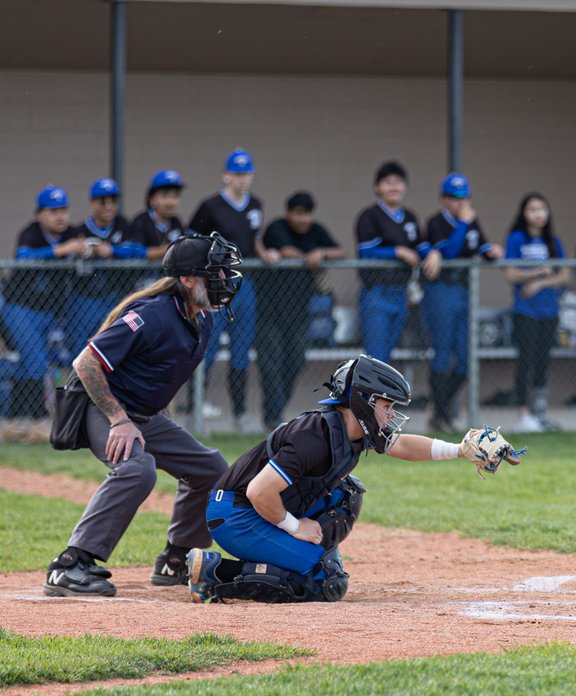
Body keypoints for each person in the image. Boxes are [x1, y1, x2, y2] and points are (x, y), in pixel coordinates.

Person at [187, 355, 496, 604]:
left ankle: (300, 555)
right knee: (322, 583)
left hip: (257, 507)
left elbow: (401, 445)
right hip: (236, 514)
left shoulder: (354, 431)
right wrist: (295, 527)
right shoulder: (314, 436)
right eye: (386, 406)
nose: (390, 416)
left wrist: (459, 450)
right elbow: (258, 491)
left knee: (346, 494)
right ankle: (215, 575)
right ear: (363, 401)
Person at [42, 232, 242, 597]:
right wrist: (119, 420)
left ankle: (175, 560)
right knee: (137, 469)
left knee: (211, 467)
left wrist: (147, 415)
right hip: (100, 407)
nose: (225, 282)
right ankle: (70, 564)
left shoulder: (202, 319)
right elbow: (85, 362)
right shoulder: (152, 315)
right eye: (216, 273)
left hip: (141, 414)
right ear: (187, 279)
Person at [188, 147, 270, 434]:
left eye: (246, 173)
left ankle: (240, 413)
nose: (242, 179)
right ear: (225, 176)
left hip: (244, 283)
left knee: (242, 351)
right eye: (236, 173)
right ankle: (194, 408)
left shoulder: (255, 204)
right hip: (216, 283)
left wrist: (266, 253)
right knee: (207, 346)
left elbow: (254, 240)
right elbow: (192, 239)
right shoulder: (210, 206)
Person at [259, 191, 345, 428]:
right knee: (271, 365)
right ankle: (271, 417)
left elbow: (341, 252)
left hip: (299, 314)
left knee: (295, 362)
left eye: (306, 214)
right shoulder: (277, 227)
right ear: (288, 213)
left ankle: (277, 412)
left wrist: (323, 253)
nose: (303, 219)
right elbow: (285, 251)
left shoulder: (316, 230)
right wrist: (308, 257)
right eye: (298, 213)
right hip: (270, 313)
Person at [422, 172, 500, 432]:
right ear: (444, 199)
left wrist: (491, 251)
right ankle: (440, 414)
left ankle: (440, 408)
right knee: (442, 354)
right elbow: (449, 252)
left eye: (465, 197)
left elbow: (481, 246)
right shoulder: (436, 222)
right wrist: (465, 224)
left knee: (466, 358)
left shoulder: (470, 221)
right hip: (441, 291)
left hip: (464, 292)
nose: (461, 203)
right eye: (455, 198)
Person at [6, 186, 86, 429]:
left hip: (50, 312)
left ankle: (20, 417)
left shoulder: (72, 232)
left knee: (38, 363)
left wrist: (85, 247)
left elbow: (90, 243)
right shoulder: (30, 232)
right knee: (36, 361)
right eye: (53, 211)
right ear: (40, 214)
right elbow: (23, 256)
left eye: (63, 209)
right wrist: (62, 250)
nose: (60, 216)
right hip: (19, 307)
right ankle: (33, 418)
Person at [354, 161, 438, 362]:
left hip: (401, 293)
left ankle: (381, 394)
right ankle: (368, 394)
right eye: (387, 182)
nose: (393, 187)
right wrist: (398, 251)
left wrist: (434, 254)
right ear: (377, 187)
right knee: (375, 359)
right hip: (377, 293)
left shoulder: (409, 217)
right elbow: (366, 252)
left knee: (388, 357)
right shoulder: (369, 216)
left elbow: (421, 246)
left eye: (398, 182)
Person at [504, 192, 571, 433]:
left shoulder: (553, 240)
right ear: (524, 213)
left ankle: (539, 413)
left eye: (542, 209)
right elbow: (510, 273)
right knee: (526, 360)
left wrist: (540, 281)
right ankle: (523, 414)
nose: (538, 214)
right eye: (532, 209)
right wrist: (539, 272)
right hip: (525, 311)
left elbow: (564, 274)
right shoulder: (516, 239)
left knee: (543, 361)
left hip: (549, 310)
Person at [65, 178, 148, 355]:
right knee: (80, 350)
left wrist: (111, 251)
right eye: (103, 201)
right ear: (92, 204)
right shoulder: (79, 230)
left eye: (112, 201)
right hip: (84, 298)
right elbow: (68, 256)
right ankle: (78, 383)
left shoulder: (124, 225)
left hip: (114, 297)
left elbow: (139, 250)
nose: (108, 206)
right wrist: (84, 250)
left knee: (114, 347)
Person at [128, 169, 188, 262]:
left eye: (175, 196)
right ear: (152, 200)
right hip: (144, 276)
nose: (170, 202)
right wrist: (169, 249)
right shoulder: (141, 221)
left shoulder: (176, 222)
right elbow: (136, 253)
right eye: (164, 196)